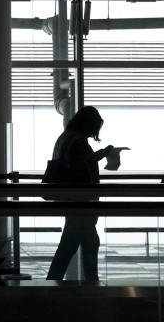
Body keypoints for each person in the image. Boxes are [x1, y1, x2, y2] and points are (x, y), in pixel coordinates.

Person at [46, 106, 117, 282]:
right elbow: (82, 170)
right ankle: (88, 282)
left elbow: (75, 162)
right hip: (82, 202)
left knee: (80, 243)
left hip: (71, 200)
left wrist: (99, 154)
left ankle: (78, 281)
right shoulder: (79, 142)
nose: (95, 131)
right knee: (77, 244)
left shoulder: (66, 137)